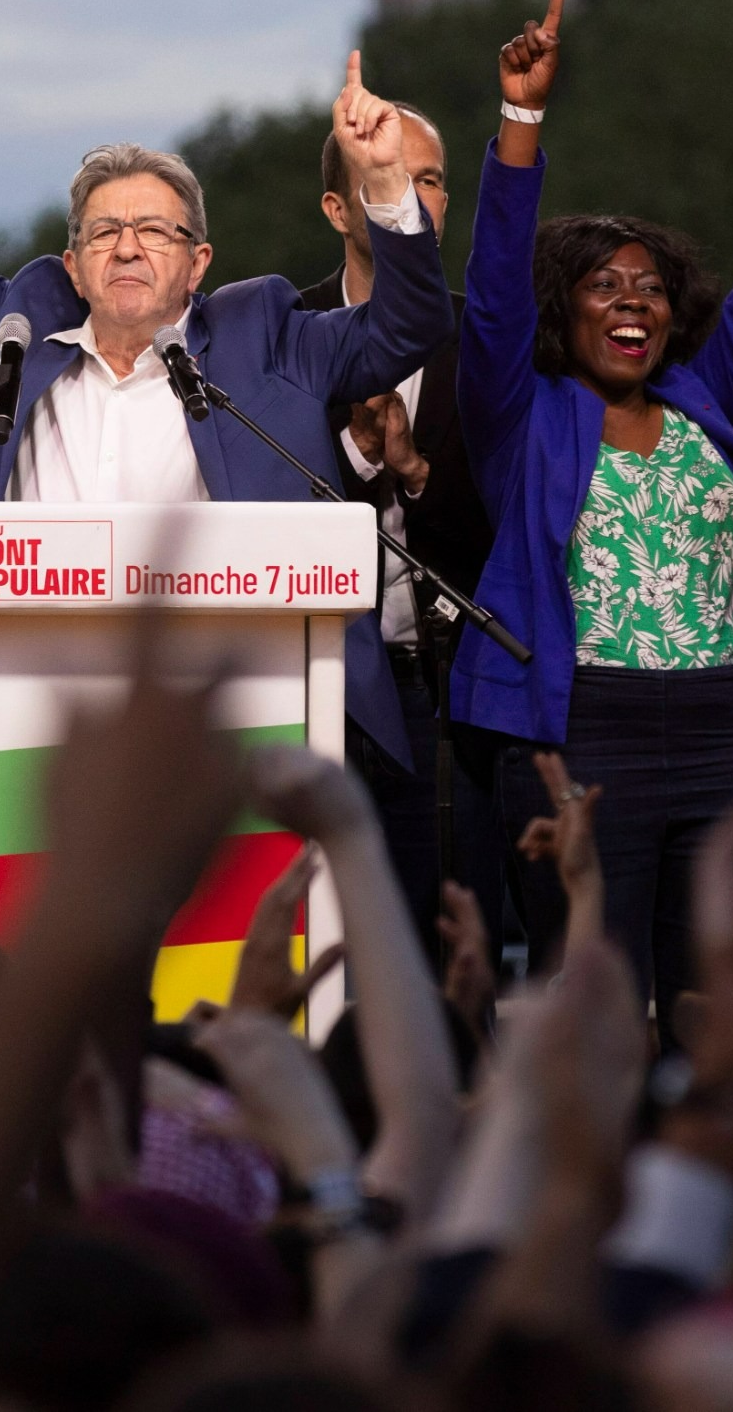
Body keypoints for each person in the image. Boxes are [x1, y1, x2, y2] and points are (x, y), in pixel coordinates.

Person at [0, 0, 452, 770]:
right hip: (21, 708)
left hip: (236, 705)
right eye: (104, 232)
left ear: (197, 262)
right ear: (72, 266)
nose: (129, 247)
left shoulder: (269, 336)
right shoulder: (11, 332)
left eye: (154, 231)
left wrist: (385, 183)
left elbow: (410, 323)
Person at [451, 0, 733, 1011]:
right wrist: (522, 118)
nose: (634, 303)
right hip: (582, 733)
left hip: (723, 733)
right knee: (593, 997)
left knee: (726, 1003)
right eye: (604, 287)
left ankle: (713, 1176)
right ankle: (590, 1174)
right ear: (563, 311)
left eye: (652, 290)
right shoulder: (521, 415)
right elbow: (491, 290)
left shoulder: (704, 401)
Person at [295, 109, 501, 948]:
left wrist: (414, 472)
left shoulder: (482, 335)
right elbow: (265, 506)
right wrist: (355, 451)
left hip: (451, 697)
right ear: (338, 210)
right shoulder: (284, 334)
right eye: (383, 183)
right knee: (325, 942)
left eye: (428, 180)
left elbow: (508, 517)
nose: (411, 200)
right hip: (320, 689)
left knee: (454, 951)